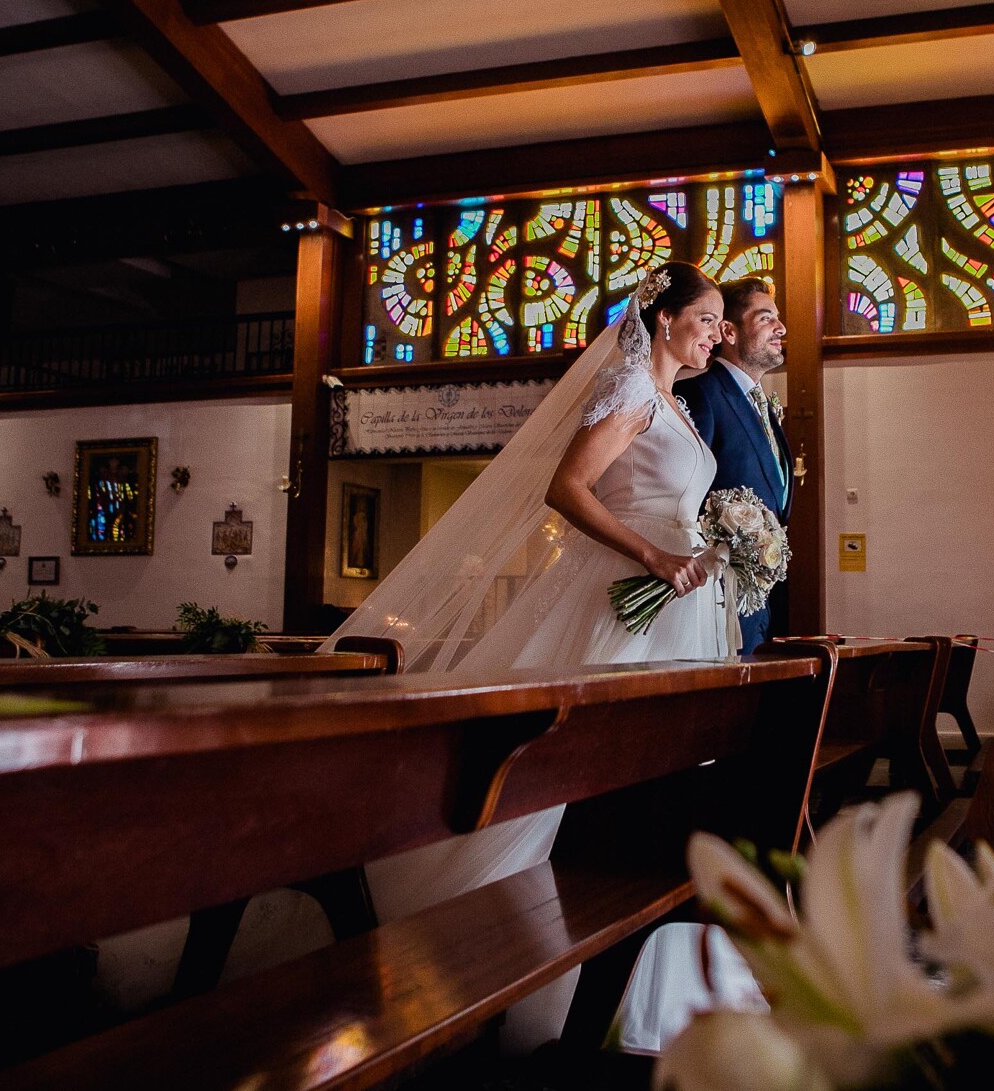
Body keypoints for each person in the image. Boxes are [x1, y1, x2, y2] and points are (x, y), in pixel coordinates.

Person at [317, 260, 756, 1053]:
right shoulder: (628, 390)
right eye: (707, 318)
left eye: (724, 321)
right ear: (663, 319)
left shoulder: (678, 403)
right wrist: (655, 556)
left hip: (675, 613)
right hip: (624, 601)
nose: (716, 333)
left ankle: (661, 972)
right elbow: (569, 487)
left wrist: (714, 547)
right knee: (593, 784)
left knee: (661, 785)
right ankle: (545, 958)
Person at [675, 276, 791, 653]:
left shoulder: (764, 405)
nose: (781, 328)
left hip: (757, 597)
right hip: (713, 594)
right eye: (765, 318)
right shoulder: (701, 394)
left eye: (778, 318)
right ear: (729, 331)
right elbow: (684, 493)